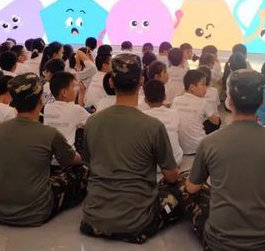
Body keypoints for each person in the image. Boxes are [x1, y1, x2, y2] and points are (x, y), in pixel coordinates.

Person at [185, 70, 265, 249]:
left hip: (219, 243)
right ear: (261, 102)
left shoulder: (209, 142)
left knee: (187, 185)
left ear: (229, 101)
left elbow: (192, 188)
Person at [80, 53, 182, 244]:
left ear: (111, 82)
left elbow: (88, 164)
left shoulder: (92, 122)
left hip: (94, 219)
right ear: (142, 80)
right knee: (181, 186)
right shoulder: (153, 126)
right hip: (137, 223)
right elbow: (171, 176)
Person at [0, 73, 88, 226]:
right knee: (81, 171)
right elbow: (73, 160)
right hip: (36, 211)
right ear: (40, 101)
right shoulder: (49, 134)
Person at [172, 69, 220, 155]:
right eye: (203, 84)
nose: (205, 88)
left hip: (180, 147)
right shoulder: (203, 102)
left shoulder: (176, 100)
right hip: (198, 146)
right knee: (216, 121)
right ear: (192, 87)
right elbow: (216, 122)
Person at [142, 80, 183, 167]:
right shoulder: (175, 113)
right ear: (165, 97)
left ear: (145, 100)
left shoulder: (142, 116)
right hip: (175, 161)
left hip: (151, 166)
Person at [43, 72, 90, 147]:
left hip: (49, 151)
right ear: (64, 93)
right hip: (68, 152)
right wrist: (82, 93)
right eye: (73, 87)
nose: (75, 90)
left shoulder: (47, 107)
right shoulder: (76, 110)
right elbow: (95, 122)